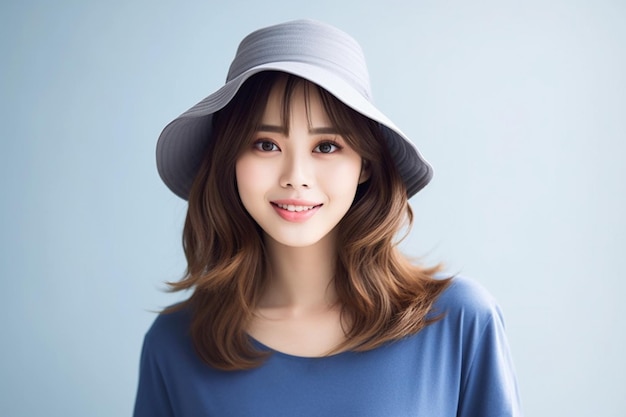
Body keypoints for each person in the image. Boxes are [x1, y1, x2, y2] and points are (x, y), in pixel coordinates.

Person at [133, 19, 522, 416]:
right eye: (266, 144)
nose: (295, 177)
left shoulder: (459, 323)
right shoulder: (175, 345)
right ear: (230, 160)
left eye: (327, 146)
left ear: (366, 164)